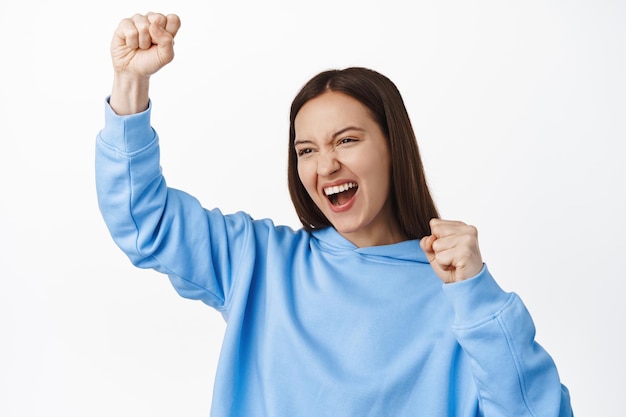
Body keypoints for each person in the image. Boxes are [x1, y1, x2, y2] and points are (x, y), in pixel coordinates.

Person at [96, 12, 573, 417]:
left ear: (393, 147)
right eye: (306, 149)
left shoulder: (458, 298)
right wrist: (130, 82)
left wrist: (477, 295)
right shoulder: (258, 261)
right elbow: (144, 219)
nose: (325, 166)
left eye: (347, 140)